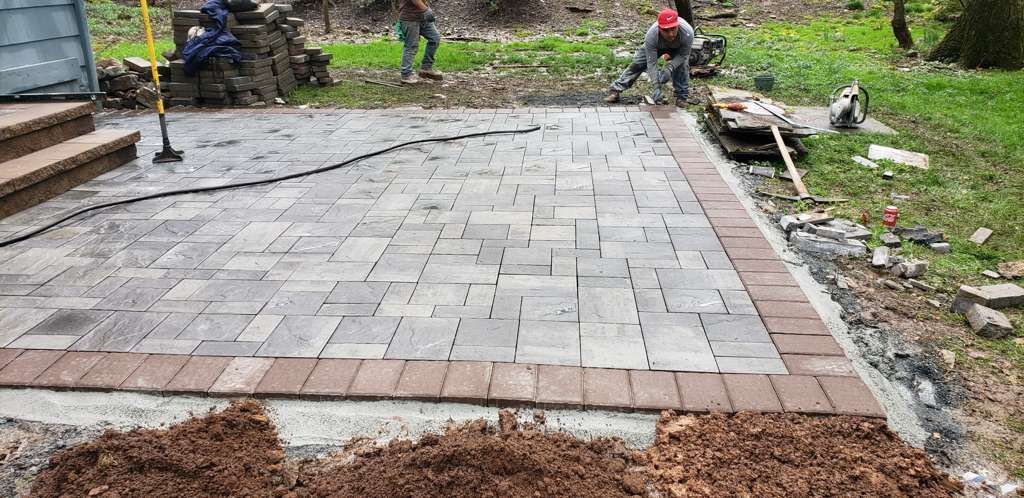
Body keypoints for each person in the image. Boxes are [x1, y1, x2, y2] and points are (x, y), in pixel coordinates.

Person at [605, 8, 695, 107]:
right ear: (659, 27)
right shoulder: (651, 35)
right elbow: (651, 64)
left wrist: (670, 67)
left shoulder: (687, 32)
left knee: (682, 66)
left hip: (678, 49)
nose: (670, 34)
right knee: (638, 63)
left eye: (673, 29)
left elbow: (683, 55)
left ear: (678, 25)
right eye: (665, 30)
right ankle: (616, 89)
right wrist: (656, 86)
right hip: (657, 45)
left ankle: (681, 97)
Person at [398, 0, 443, 84]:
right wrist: (426, 10)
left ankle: (426, 68)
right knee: (411, 46)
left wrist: (427, 9)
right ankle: (406, 75)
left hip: (422, 17)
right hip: (409, 18)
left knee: (434, 38)